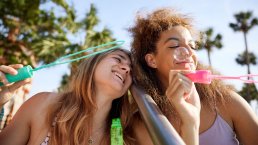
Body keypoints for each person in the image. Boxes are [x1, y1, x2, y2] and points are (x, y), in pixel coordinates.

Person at [128, 7, 258, 145]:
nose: (189, 52)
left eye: (192, 46)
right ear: (151, 60)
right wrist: (190, 122)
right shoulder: (143, 124)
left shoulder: (225, 101)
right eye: (174, 46)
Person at [0, 48, 135, 144]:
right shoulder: (42, 104)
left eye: (131, 70)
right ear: (94, 63)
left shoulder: (124, 137)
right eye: (118, 59)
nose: (126, 68)